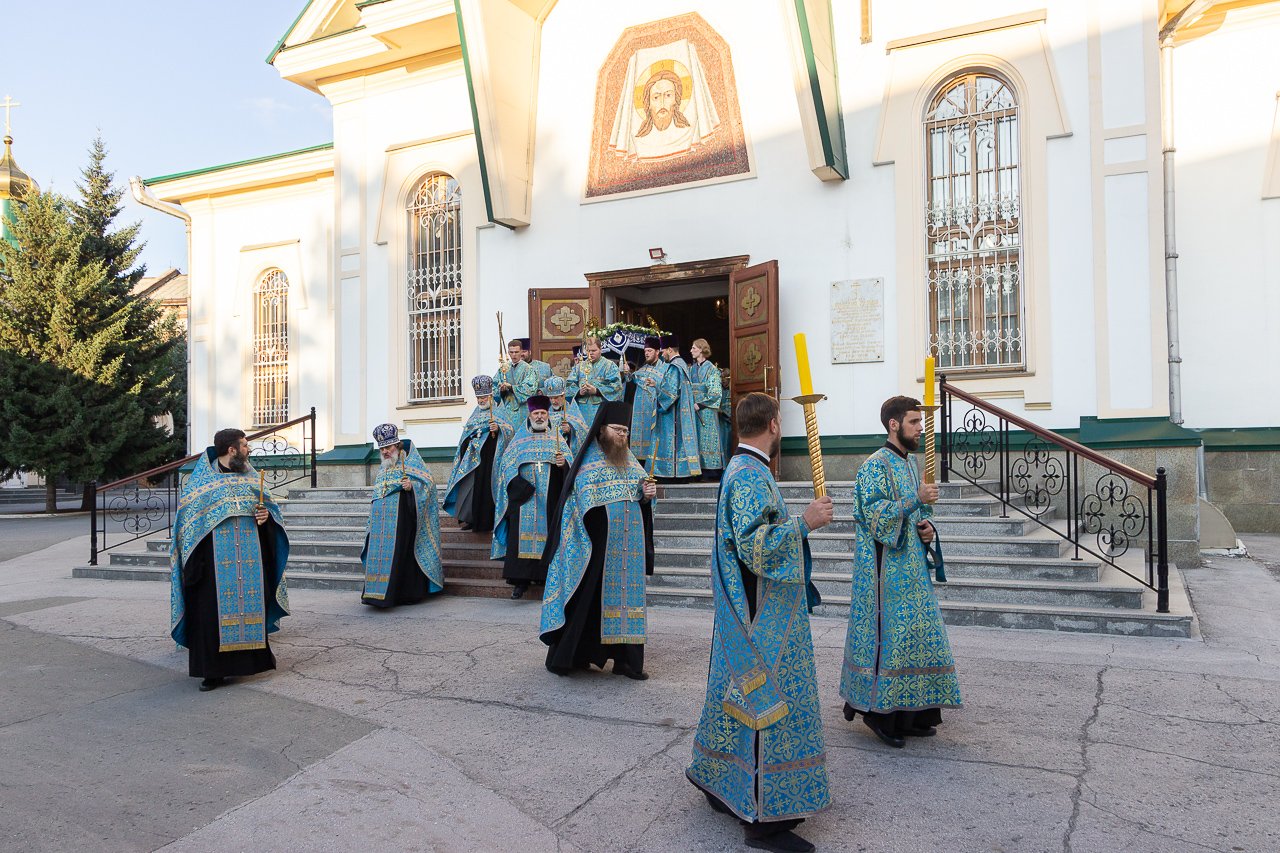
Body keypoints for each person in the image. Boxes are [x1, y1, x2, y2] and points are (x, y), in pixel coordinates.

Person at [686, 393, 832, 853]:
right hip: (762, 615)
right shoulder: (750, 474)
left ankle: (717, 784)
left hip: (750, 608)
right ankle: (762, 821)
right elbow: (754, 547)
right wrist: (804, 524)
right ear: (773, 423)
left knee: (736, 695)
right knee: (766, 703)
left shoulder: (743, 468)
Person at [839, 395, 961, 748]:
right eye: (913, 422)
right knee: (889, 641)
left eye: (921, 422)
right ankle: (880, 716)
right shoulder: (874, 466)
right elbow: (875, 516)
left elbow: (913, 513)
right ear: (894, 424)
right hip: (884, 573)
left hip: (911, 570)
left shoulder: (910, 463)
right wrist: (915, 500)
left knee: (915, 640)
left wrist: (926, 527)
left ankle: (911, 715)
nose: (920, 428)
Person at [539, 401, 657, 679]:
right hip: (593, 546)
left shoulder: (629, 461)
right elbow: (579, 502)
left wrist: (646, 494)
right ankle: (574, 655)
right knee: (587, 599)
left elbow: (639, 493)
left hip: (627, 546)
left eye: (626, 431)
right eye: (617, 430)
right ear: (602, 430)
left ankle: (627, 662)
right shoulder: (589, 460)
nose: (622, 436)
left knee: (626, 600)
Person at [169, 428, 289, 692]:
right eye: (245, 446)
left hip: (250, 559)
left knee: (251, 605)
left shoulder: (251, 478)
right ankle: (213, 672)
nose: (249, 450)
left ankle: (250, 663)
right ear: (231, 450)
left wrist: (265, 519)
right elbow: (188, 527)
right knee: (211, 613)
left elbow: (268, 511)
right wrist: (194, 567)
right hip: (212, 563)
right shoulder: (201, 483)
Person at [360, 423, 444, 607]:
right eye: (382, 448)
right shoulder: (384, 469)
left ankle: (402, 594)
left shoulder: (411, 462)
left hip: (404, 521)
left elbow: (428, 485)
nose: (385, 452)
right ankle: (375, 594)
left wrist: (412, 488)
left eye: (388, 447)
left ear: (397, 445)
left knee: (401, 556)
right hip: (381, 523)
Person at [493, 395, 567, 599]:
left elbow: (570, 468)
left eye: (543, 413)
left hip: (549, 501)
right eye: (537, 413)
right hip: (523, 499)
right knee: (521, 541)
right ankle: (520, 582)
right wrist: (520, 488)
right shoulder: (520, 438)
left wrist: (563, 466)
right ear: (530, 414)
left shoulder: (557, 438)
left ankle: (544, 578)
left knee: (549, 537)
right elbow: (506, 466)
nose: (541, 417)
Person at [443, 376, 514, 533]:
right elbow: (466, 435)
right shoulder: (475, 414)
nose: (481, 400)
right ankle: (472, 519)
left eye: (483, 397)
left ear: (490, 395)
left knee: (488, 490)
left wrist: (499, 429)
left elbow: (510, 431)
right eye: (478, 397)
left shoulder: (499, 412)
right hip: (474, 459)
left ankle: (488, 521)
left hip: (492, 459)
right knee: (472, 489)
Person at [629, 336, 701, 481]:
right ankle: (680, 473)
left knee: (670, 441)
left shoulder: (674, 366)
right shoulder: (682, 365)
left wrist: (657, 394)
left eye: (662, 352)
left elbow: (670, 393)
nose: (662, 355)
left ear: (669, 349)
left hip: (673, 415)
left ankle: (671, 474)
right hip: (682, 413)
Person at [688, 338, 725, 481]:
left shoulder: (711, 369)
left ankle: (711, 472)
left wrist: (701, 404)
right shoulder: (691, 369)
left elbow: (716, 392)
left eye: (694, 348)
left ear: (702, 349)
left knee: (708, 439)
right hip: (692, 408)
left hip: (707, 410)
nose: (691, 351)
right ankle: (697, 470)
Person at [565, 336, 623, 425]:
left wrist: (597, 391)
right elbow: (568, 386)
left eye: (594, 350)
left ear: (600, 349)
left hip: (601, 408)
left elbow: (617, 387)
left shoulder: (609, 366)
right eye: (588, 351)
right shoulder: (579, 367)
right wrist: (579, 392)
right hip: (581, 410)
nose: (590, 353)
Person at [493, 339, 539, 426]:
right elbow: (494, 386)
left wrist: (511, 387)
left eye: (516, 352)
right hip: (506, 409)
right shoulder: (503, 368)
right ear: (508, 352)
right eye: (511, 352)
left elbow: (530, 389)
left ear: (521, 352)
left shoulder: (529, 369)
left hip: (523, 410)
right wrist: (501, 390)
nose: (514, 355)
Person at [544, 375, 590, 453]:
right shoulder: (546, 413)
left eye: (556, 398)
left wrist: (570, 430)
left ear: (563, 396)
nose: (553, 401)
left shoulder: (572, 411)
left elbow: (583, 433)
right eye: (550, 398)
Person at [718, 368, 733, 459]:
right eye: (721, 378)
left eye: (725, 378)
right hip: (720, 422)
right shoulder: (721, 391)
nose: (723, 381)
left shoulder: (732, 391)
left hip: (729, 424)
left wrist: (723, 412)